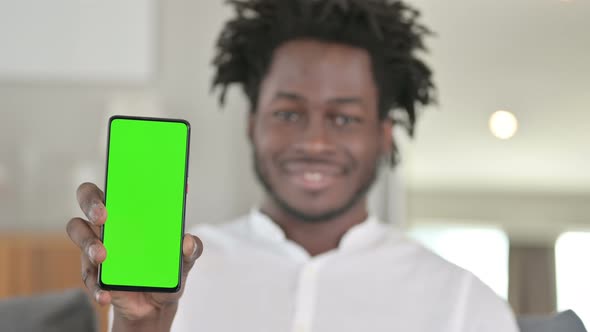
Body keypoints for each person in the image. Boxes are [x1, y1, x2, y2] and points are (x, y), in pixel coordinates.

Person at [66, 0, 519, 331]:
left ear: (384, 133)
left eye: (344, 117)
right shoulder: (175, 273)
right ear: (251, 124)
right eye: (288, 113)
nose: (315, 141)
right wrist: (143, 325)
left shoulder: (465, 305)